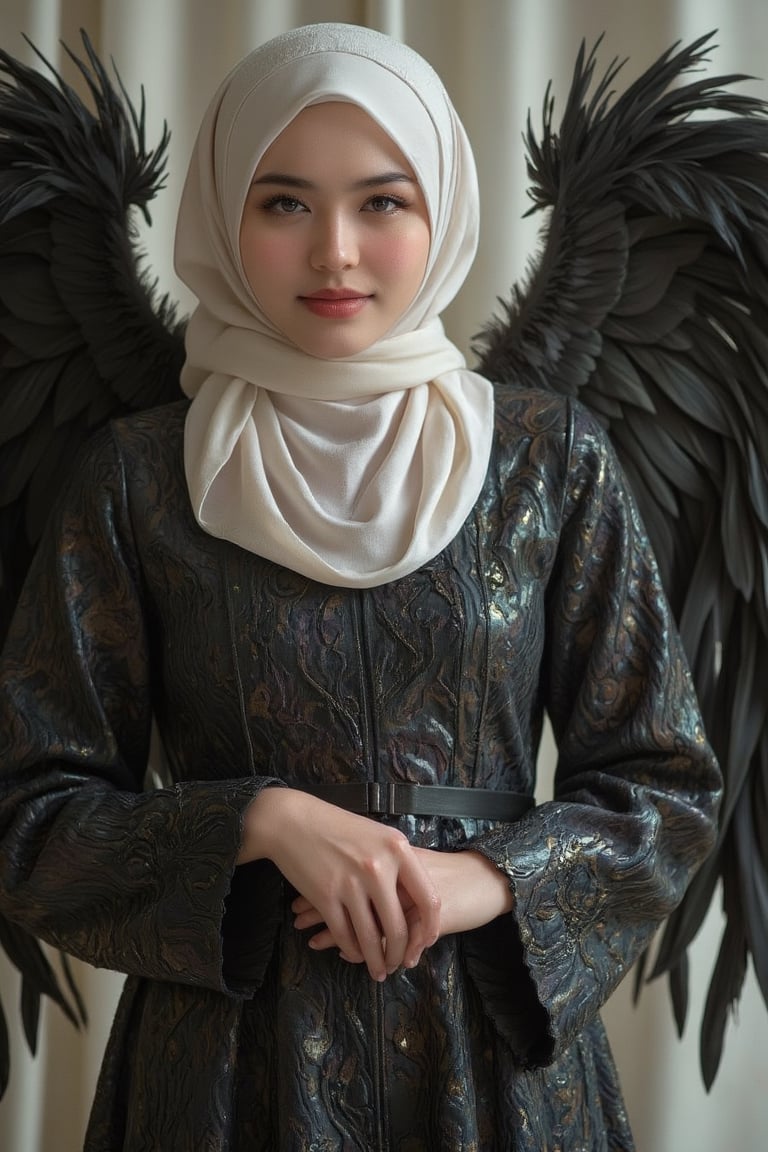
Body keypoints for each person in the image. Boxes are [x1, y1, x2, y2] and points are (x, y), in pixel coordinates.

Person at [0, 22, 721, 1151]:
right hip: (225, 1086)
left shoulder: (552, 459)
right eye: (284, 203)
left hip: (494, 1077)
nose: (334, 251)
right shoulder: (138, 477)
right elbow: (29, 821)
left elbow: (665, 787)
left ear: (441, 214)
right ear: (226, 217)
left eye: (383, 202)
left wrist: (477, 883)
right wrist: (264, 822)